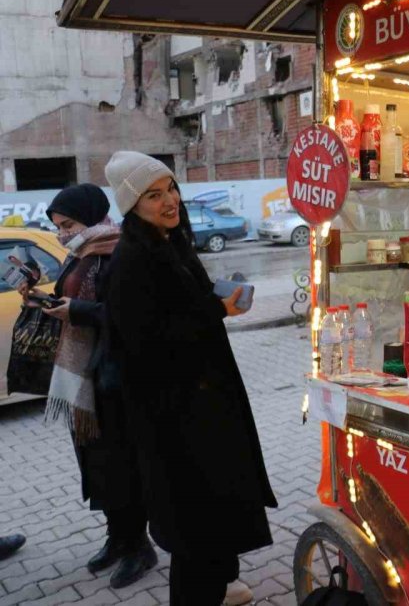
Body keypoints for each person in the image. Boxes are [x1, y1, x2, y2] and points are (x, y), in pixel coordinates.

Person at [103, 152, 275, 606]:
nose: (169, 201)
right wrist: (216, 309)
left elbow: (181, 308)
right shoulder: (130, 261)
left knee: (215, 523)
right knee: (195, 534)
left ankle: (222, 588)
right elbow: (146, 345)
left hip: (205, 409)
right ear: (131, 205)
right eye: (153, 195)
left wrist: (217, 298)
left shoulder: (170, 242)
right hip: (174, 423)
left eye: (171, 188)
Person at [24, 184, 156, 588]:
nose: (62, 233)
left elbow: (129, 313)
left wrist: (77, 311)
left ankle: (140, 546)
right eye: (58, 227)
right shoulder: (80, 252)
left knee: (121, 465)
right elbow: (73, 303)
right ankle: (117, 537)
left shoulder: (119, 250)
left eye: (68, 224)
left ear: (92, 215)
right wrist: (39, 298)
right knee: (97, 465)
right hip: (85, 377)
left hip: (114, 377)